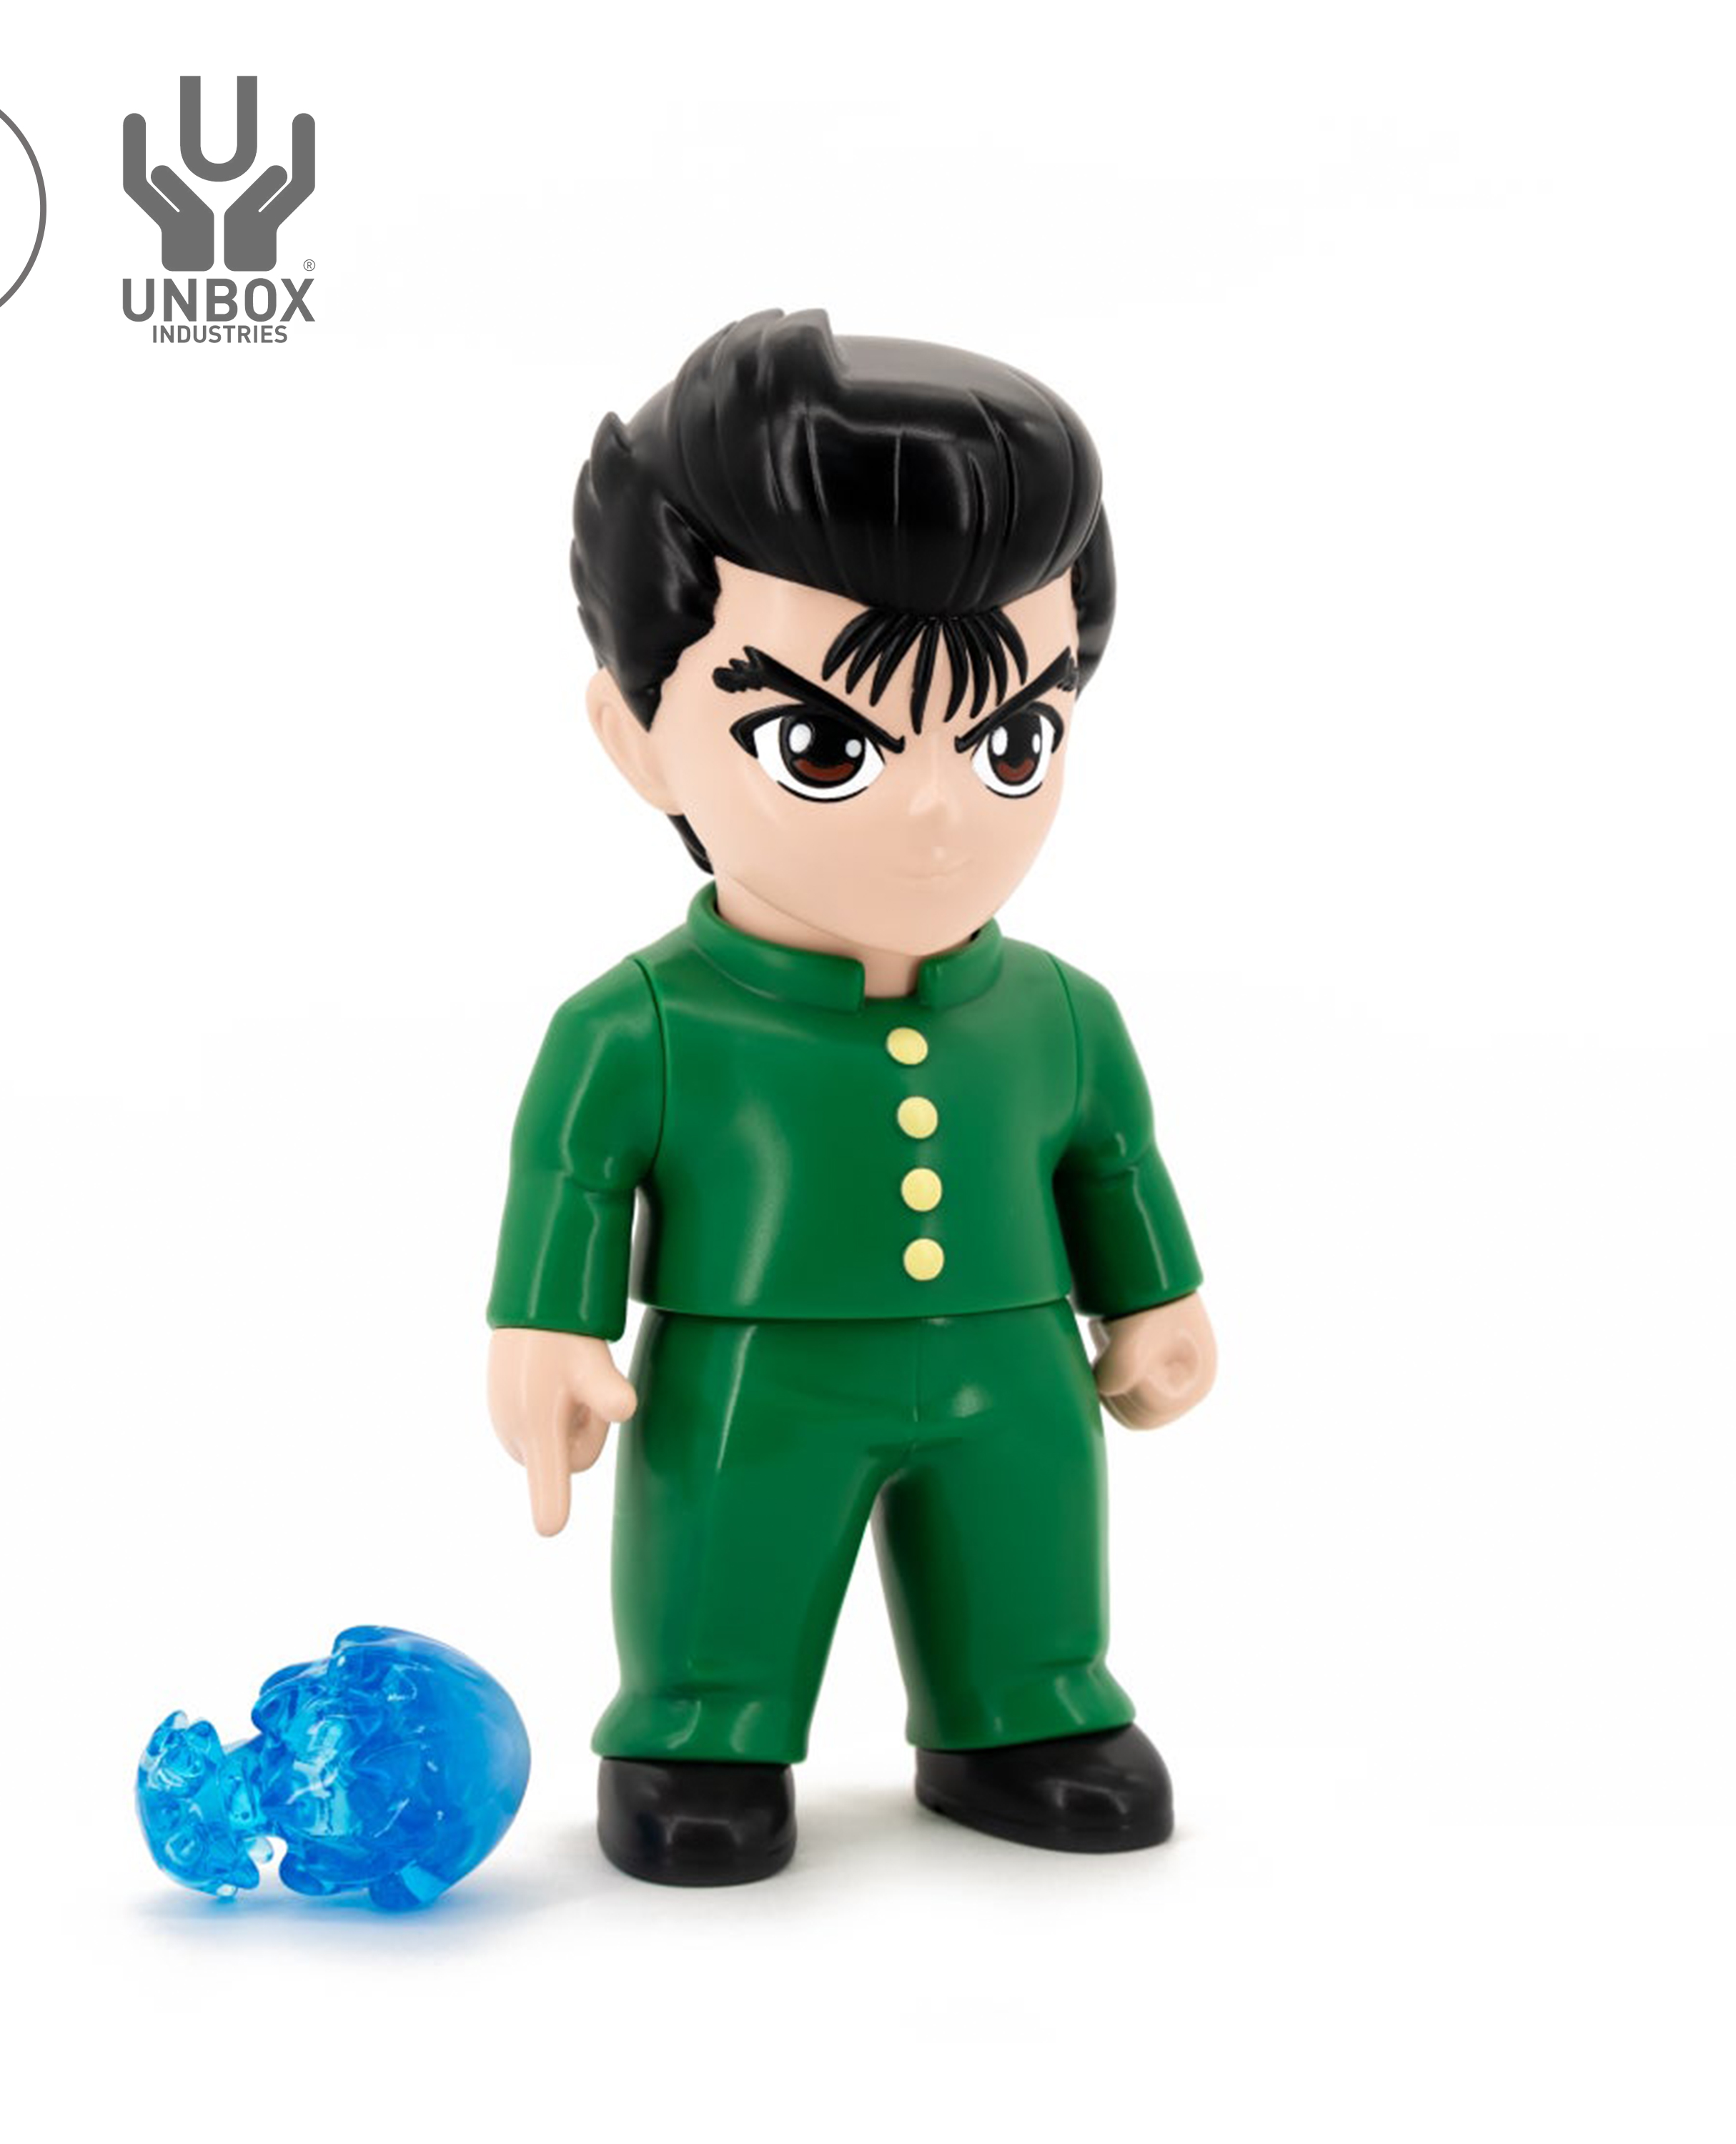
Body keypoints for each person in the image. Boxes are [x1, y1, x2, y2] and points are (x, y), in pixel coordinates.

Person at [487, 309, 1218, 1885]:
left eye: (1012, 738)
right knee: (724, 1556)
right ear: (639, 738)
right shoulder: (639, 1026)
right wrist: (547, 1332)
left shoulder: (1062, 1014)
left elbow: (1112, 1164)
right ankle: (703, 1727)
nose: (939, 810)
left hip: (1017, 1366)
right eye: (824, 745)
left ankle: (1026, 1709)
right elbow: (570, 1183)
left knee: (1031, 1545)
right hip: (753, 1377)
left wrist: (1156, 1300)